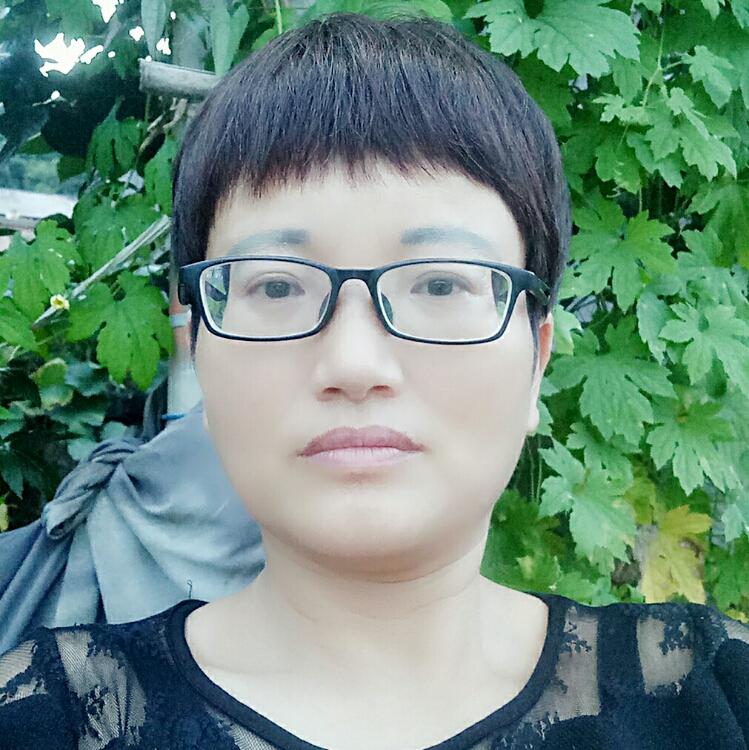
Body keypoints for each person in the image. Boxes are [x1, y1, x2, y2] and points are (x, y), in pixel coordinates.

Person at [1, 11, 747, 750]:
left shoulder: (718, 697)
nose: (354, 365)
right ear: (198, 347)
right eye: (277, 286)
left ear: (536, 361)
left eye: (441, 285)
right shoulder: (44, 719)